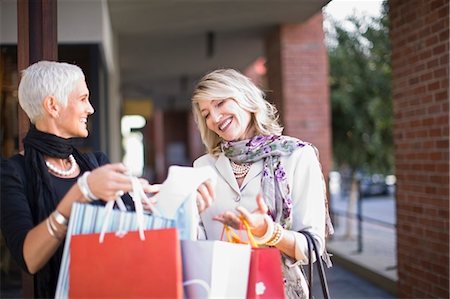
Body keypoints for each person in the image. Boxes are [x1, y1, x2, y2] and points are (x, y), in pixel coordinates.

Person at [0, 61, 213, 298]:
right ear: (52, 105)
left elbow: (134, 225)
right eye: (82, 99)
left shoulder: (96, 164)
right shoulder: (13, 173)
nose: (90, 109)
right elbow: (28, 258)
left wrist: (179, 203)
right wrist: (82, 192)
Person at [191, 69, 333, 298]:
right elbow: (195, 240)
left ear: (246, 98)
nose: (215, 118)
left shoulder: (297, 156)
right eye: (206, 113)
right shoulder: (202, 167)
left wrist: (269, 232)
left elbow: (312, 246)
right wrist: (175, 208)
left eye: (220, 103)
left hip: (277, 290)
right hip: (218, 290)